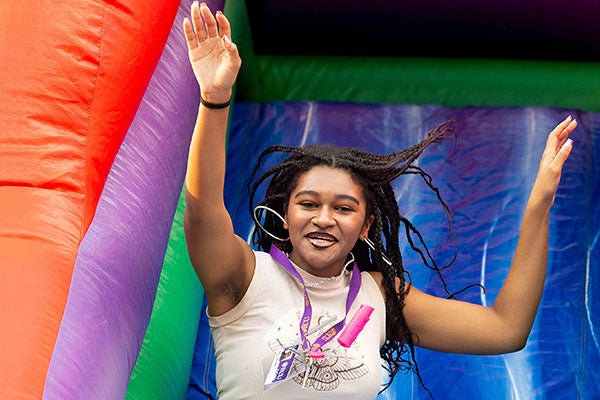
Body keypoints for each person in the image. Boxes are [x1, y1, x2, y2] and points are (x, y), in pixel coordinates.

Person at [182, 2, 577, 399]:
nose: (324, 218)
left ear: (366, 225)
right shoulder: (244, 277)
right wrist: (215, 99)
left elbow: (505, 329)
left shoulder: (380, 295)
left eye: (344, 208)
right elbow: (203, 210)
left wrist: (539, 205)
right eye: (308, 204)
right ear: (285, 215)